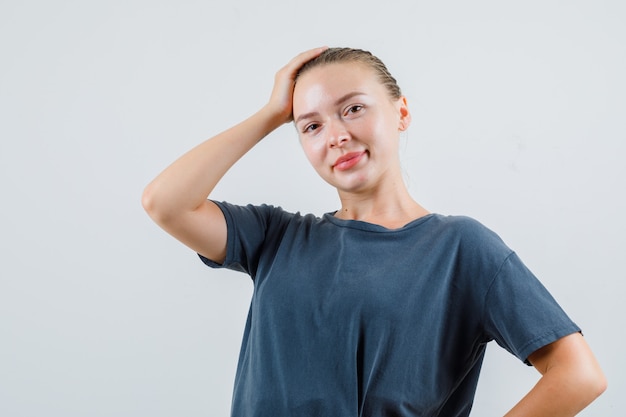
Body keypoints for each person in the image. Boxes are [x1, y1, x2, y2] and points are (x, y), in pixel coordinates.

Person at [142, 46, 607, 416]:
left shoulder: (461, 250)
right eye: (311, 126)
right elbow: (165, 203)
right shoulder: (274, 237)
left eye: (354, 109)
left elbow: (579, 374)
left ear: (401, 112)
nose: (336, 135)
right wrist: (270, 113)